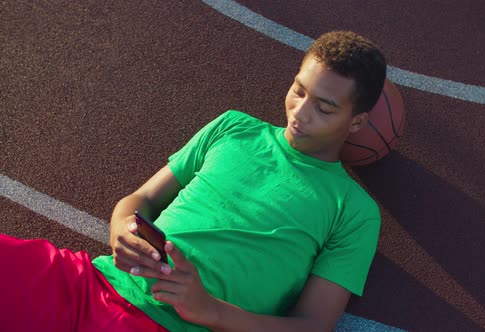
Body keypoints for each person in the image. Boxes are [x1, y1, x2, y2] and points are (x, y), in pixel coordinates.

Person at [0, 30, 386, 331]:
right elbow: (142, 198)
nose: (300, 112)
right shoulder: (234, 127)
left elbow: (313, 326)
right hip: (89, 282)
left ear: (356, 121)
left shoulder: (354, 212)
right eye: (298, 90)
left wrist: (210, 311)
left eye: (324, 107)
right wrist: (120, 230)